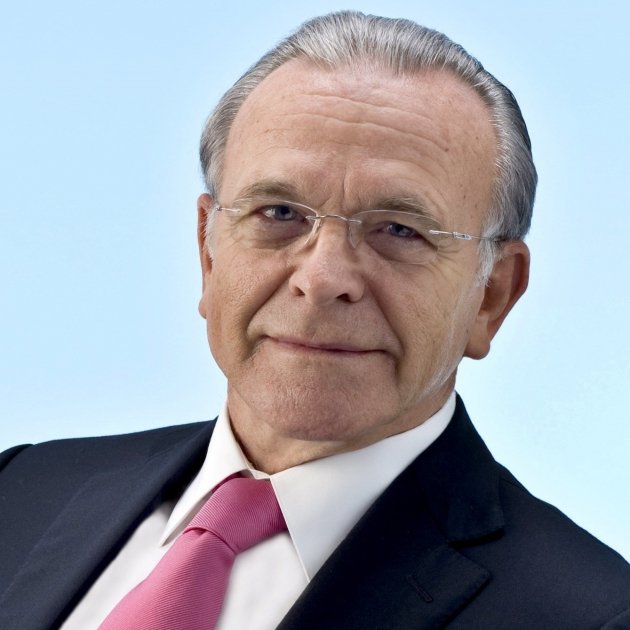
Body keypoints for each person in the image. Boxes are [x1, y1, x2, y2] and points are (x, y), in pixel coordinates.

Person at [1, 10, 629, 630]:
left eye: (398, 230)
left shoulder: (591, 615)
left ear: (491, 295)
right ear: (208, 252)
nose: (323, 278)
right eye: (279, 213)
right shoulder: (20, 490)